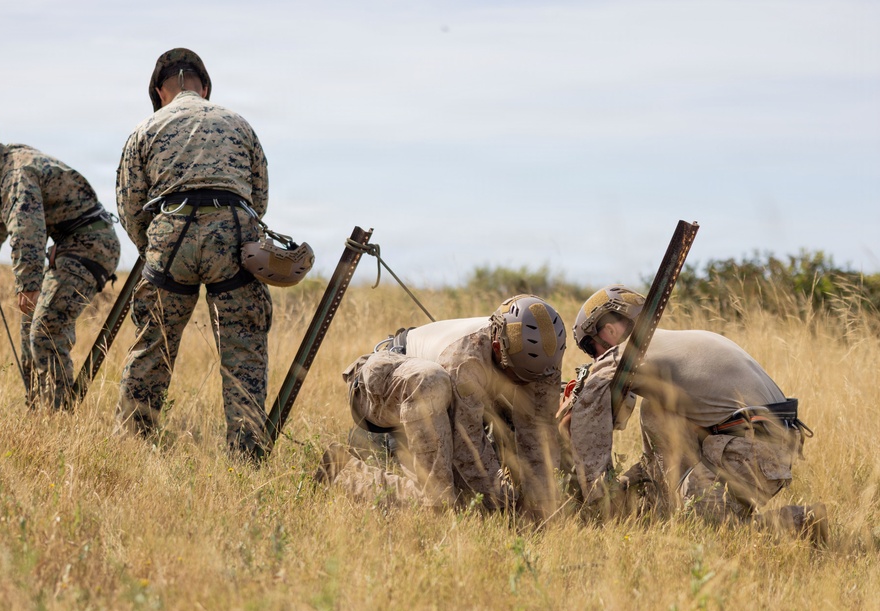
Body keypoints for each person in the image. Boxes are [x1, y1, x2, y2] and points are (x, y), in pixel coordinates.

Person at [561, 284, 827, 544]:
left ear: (609, 330)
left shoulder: (630, 352)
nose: (596, 357)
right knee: (654, 409)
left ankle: (801, 523)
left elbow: (587, 409)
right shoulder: (675, 344)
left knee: (701, 529)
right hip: (767, 441)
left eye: (591, 347)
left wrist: (598, 499)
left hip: (748, 447)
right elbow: (662, 454)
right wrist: (634, 483)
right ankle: (664, 506)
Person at [114, 48, 272, 459]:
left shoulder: (146, 128)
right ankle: (247, 456)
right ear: (204, 86)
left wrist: (152, 248)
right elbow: (259, 195)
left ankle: (133, 447)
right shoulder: (238, 123)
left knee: (154, 344)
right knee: (244, 350)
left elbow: (130, 204)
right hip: (234, 233)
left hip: (170, 236)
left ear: (159, 91)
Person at [315, 295, 567, 518]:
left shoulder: (545, 360)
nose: (521, 383)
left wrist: (539, 505)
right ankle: (342, 472)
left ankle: (351, 467)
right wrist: (507, 502)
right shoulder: (465, 358)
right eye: (516, 374)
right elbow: (467, 441)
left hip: (437, 407)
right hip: (384, 388)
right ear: (498, 347)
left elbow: (538, 431)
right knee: (439, 502)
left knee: (469, 501)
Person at [0, 118, 121, 409]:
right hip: (76, 246)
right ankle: (39, 408)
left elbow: (27, 229)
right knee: (31, 328)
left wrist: (28, 284)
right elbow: (3, 213)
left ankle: (56, 417)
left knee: (45, 329)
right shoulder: (10, 165)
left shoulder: (17, 173)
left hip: (90, 246)